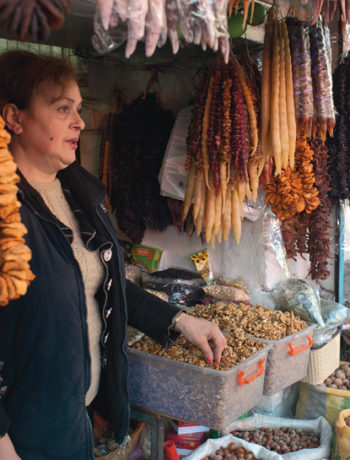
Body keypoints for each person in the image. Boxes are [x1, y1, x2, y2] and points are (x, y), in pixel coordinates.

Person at [0, 50, 226, 460]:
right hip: (24, 438)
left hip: (74, 420)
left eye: (79, 109)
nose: (79, 123)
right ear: (14, 118)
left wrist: (179, 320)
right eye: (62, 109)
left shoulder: (78, 192)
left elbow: (96, 283)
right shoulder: (6, 212)